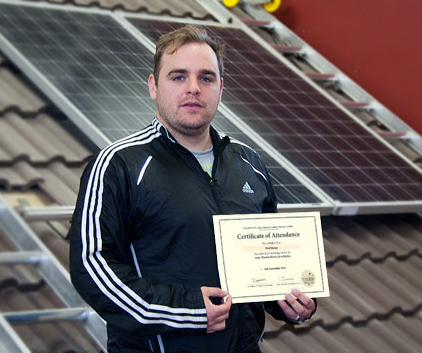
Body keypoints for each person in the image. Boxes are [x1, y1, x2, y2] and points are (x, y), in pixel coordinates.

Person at [69, 25, 316, 353]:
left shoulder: (249, 163)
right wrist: (184, 310)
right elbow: (91, 267)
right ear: (154, 87)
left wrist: (289, 300)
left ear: (221, 88)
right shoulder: (118, 165)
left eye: (206, 78)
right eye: (178, 76)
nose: (193, 88)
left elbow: (263, 262)